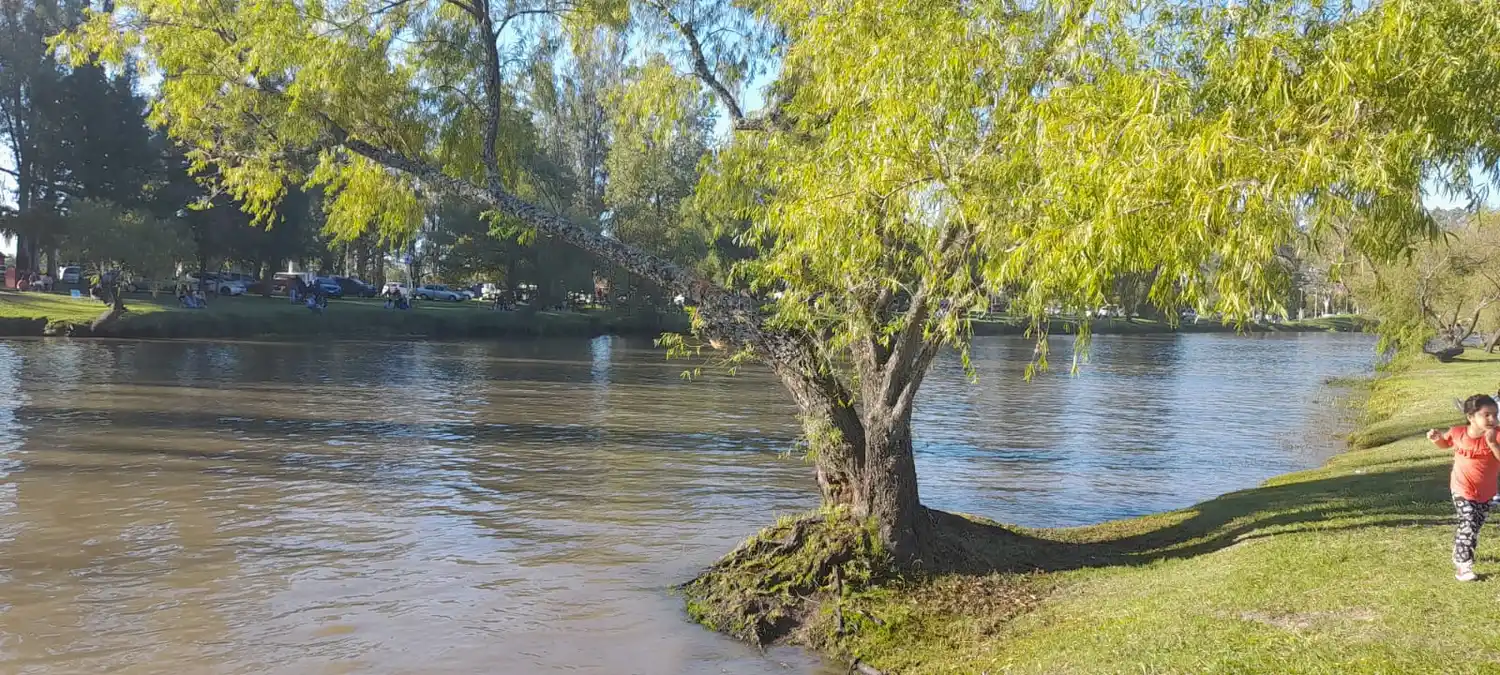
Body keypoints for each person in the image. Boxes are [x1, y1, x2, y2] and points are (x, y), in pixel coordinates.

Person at [1428, 393, 1500, 581]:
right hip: (1461, 488)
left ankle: (1460, 549)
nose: (1492, 419)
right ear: (1471, 417)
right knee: (1468, 521)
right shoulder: (1458, 432)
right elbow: (1446, 443)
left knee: (1474, 526)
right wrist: (1437, 439)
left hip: (1487, 492)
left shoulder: (1498, 435)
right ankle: (1463, 565)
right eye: (1486, 415)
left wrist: (1492, 443)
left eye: (1495, 414)